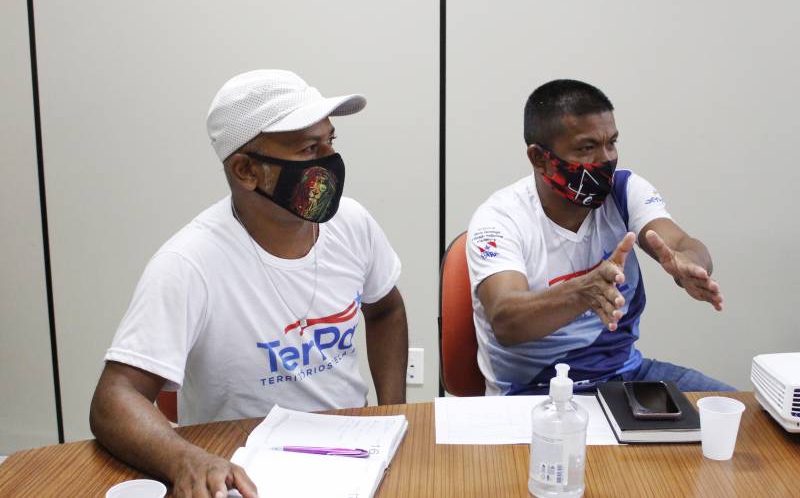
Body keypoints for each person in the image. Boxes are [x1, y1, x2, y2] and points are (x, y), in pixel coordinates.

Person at [90, 69, 409, 498]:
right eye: (310, 148)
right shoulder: (189, 264)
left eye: (331, 142)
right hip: (242, 473)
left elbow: (386, 309)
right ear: (246, 170)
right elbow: (115, 398)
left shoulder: (352, 224)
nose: (328, 160)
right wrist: (185, 459)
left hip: (354, 459)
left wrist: (392, 413)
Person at [467, 79, 732, 397]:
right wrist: (583, 292)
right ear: (540, 158)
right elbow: (507, 321)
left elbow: (680, 244)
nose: (605, 159)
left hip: (626, 375)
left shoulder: (624, 191)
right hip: (533, 392)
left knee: (751, 426)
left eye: (611, 143)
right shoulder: (500, 218)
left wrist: (690, 264)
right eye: (586, 148)